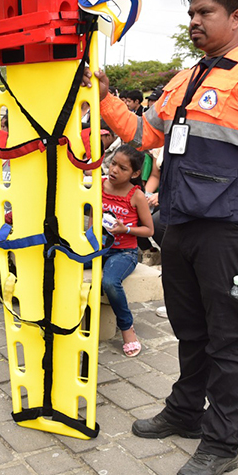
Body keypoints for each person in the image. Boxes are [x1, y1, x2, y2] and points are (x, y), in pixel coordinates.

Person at [87, 0, 238, 475]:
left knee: (229, 339)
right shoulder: (187, 77)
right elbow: (146, 136)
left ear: (236, 17)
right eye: (190, 13)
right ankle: (185, 411)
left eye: (204, 12)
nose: (193, 21)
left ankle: (222, 441)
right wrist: (105, 101)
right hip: (181, 224)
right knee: (190, 328)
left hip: (230, 231)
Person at [97, 144, 154, 357]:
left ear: (135, 173)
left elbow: (149, 229)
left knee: (110, 282)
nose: (114, 170)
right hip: (98, 248)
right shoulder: (100, 185)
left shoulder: (136, 195)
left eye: (122, 168)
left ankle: (127, 329)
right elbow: (93, 213)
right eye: (113, 164)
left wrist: (125, 228)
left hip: (123, 253)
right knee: (63, 260)